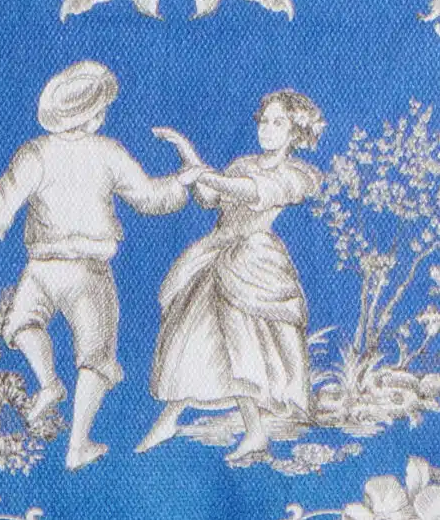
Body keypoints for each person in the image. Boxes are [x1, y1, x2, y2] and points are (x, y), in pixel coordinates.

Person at [0, 61, 193, 469]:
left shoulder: (35, 153)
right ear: (94, 116)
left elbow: (1, 204)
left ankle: (48, 384)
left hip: (42, 267)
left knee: (22, 325)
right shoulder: (108, 152)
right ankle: (77, 444)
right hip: (87, 271)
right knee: (94, 357)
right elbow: (150, 198)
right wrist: (181, 183)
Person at [135, 90, 326, 466]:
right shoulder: (243, 163)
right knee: (194, 336)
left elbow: (252, 192)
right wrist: (188, 155)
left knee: (242, 347)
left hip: (253, 262)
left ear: (295, 132)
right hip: (217, 253)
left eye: (278, 123)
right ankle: (171, 419)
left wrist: (205, 174)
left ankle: (252, 432)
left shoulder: (297, 174)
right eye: (264, 121)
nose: (267, 129)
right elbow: (210, 197)